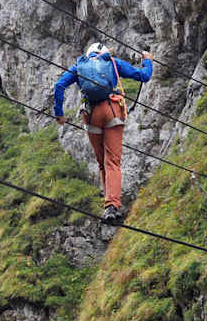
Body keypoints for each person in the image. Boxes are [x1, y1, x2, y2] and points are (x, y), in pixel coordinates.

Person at [53, 43, 153, 223]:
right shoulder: (112, 62)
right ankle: (112, 206)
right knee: (112, 162)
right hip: (112, 110)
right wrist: (147, 61)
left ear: (89, 54)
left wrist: (59, 114)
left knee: (102, 163)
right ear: (103, 53)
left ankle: (108, 207)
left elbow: (59, 85)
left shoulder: (79, 66)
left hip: (91, 115)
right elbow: (144, 76)